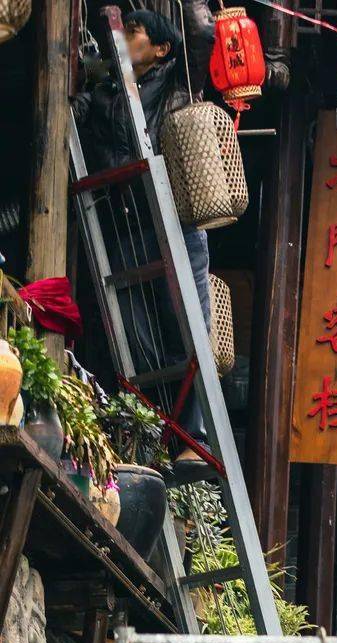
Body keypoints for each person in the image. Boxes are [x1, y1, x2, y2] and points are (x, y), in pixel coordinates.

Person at [73, 7, 217, 472]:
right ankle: (157, 437)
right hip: (127, 229)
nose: (122, 37)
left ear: (161, 49)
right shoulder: (105, 95)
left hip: (174, 225)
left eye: (133, 31)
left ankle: (192, 438)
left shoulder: (176, 83)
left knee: (183, 330)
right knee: (136, 339)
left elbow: (203, 33)